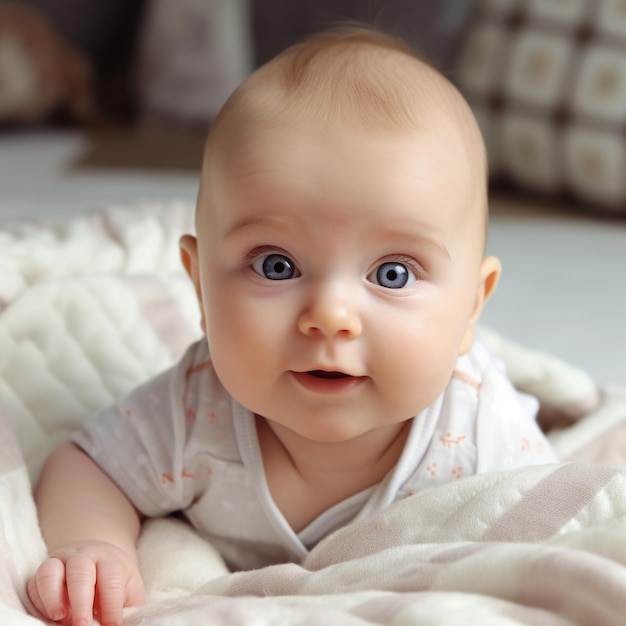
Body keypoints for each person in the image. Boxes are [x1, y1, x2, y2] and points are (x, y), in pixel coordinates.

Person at [27, 25, 558, 626]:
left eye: (392, 274)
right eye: (276, 265)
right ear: (200, 287)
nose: (330, 316)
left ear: (470, 308)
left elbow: (553, 531)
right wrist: (93, 543)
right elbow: (90, 465)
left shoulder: (483, 431)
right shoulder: (194, 410)